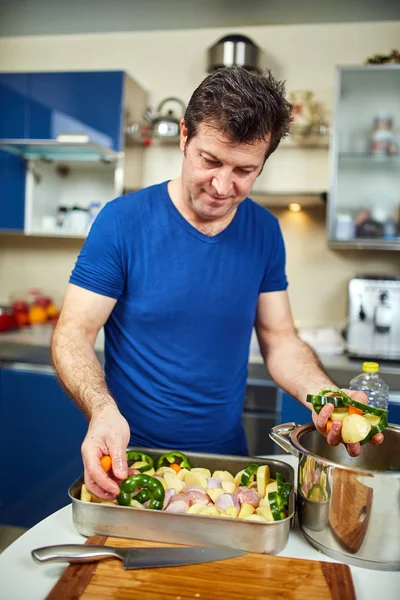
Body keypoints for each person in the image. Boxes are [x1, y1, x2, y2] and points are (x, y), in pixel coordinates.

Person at [52, 67, 383, 501]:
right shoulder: (122, 221)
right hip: (132, 460)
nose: (223, 186)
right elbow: (73, 332)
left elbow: (280, 340)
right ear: (185, 137)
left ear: (264, 163)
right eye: (210, 161)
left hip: (226, 466)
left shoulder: (264, 231)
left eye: (244, 169)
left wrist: (323, 395)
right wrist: (102, 411)